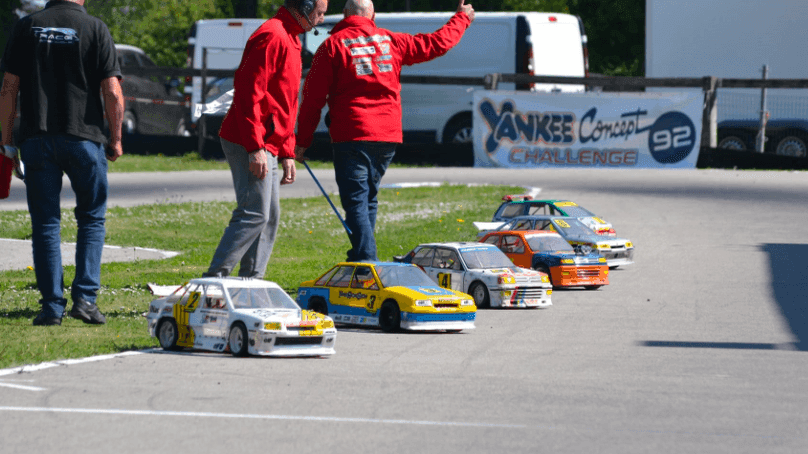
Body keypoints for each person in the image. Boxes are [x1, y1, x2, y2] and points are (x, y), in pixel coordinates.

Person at [294, 0, 475, 262]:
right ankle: (360, 256)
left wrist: (302, 141)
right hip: (387, 136)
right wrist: (462, 18)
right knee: (368, 198)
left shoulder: (332, 45)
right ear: (372, 15)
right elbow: (437, 43)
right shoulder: (392, 40)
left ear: (345, 15)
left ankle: (367, 262)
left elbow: (312, 99)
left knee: (356, 200)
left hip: (352, 134)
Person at [0, 0, 124, 326]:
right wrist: (116, 138)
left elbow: (9, 88)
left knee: (45, 224)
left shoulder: (27, 26)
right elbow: (112, 90)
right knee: (91, 220)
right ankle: (85, 300)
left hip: (37, 140)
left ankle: (52, 308)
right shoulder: (95, 28)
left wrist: (7, 143)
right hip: (85, 140)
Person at [204, 0, 328, 278]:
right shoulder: (272, 35)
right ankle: (213, 282)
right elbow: (250, 94)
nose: (321, 20)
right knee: (254, 213)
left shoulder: (291, 37)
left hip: (268, 142)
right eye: (319, 13)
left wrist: (286, 152)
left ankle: (251, 284)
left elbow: (285, 103)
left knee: (268, 217)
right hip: (248, 139)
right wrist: (255, 147)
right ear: (304, 8)